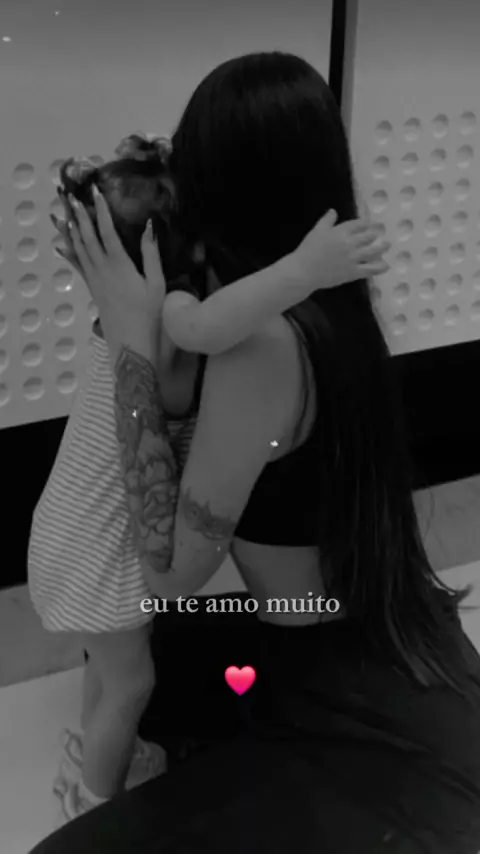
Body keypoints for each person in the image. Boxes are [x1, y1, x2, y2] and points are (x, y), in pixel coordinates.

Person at [30, 52, 480, 854]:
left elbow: (172, 574)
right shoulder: (317, 294)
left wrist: (128, 334)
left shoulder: (260, 342)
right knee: (139, 657)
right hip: (358, 621)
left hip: (324, 663)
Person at [28, 132, 387, 824]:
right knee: (133, 682)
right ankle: (95, 805)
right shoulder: (169, 321)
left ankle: (96, 749)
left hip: (66, 537)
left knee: (109, 665)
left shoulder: (118, 320)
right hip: (90, 553)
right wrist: (304, 269)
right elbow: (208, 326)